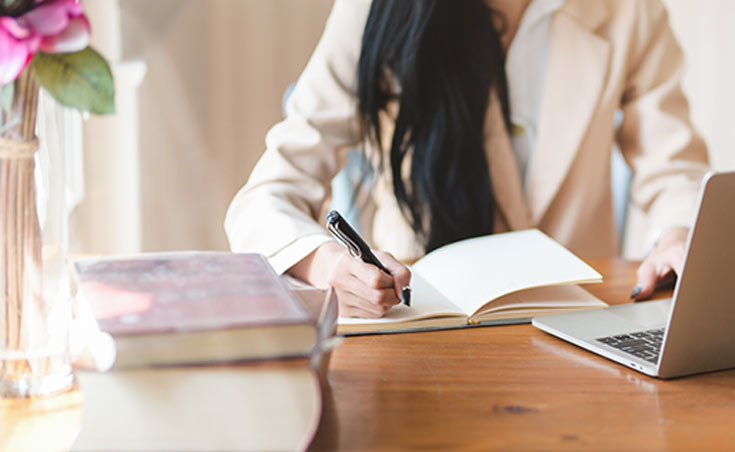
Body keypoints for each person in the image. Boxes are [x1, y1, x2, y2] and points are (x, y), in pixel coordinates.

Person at [225, 0, 709, 318]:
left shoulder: (629, 11)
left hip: (575, 324)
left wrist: (677, 235)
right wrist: (326, 264)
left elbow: (674, 170)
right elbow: (266, 197)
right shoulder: (373, 11)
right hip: (422, 324)